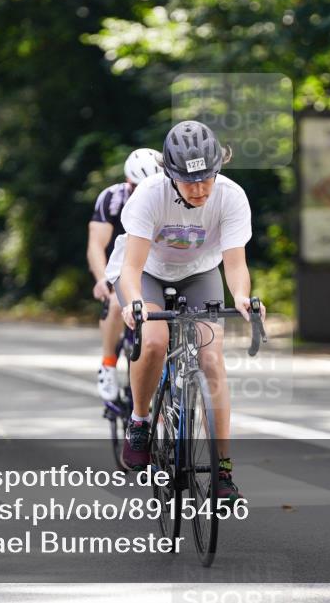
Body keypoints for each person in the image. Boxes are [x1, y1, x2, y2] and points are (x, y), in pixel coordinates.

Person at [105, 120, 266, 504]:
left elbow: (236, 264)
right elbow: (131, 268)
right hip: (148, 272)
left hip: (200, 272)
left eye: (206, 179)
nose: (199, 189)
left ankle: (224, 472)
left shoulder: (231, 196)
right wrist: (132, 304)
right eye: (189, 181)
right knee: (156, 340)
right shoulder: (149, 195)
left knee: (212, 357)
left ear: (217, 170)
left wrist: (242, 297)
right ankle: (141, 421)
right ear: (170, 174)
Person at [88, 148, 163, 400]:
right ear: (128, 183)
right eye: (137, 187)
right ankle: (108, 363)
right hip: (119, 266)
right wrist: (102, 279)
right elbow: (96, 245)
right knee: (113, 303)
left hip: (156, 266)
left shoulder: (167, 195)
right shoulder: (112, 198)